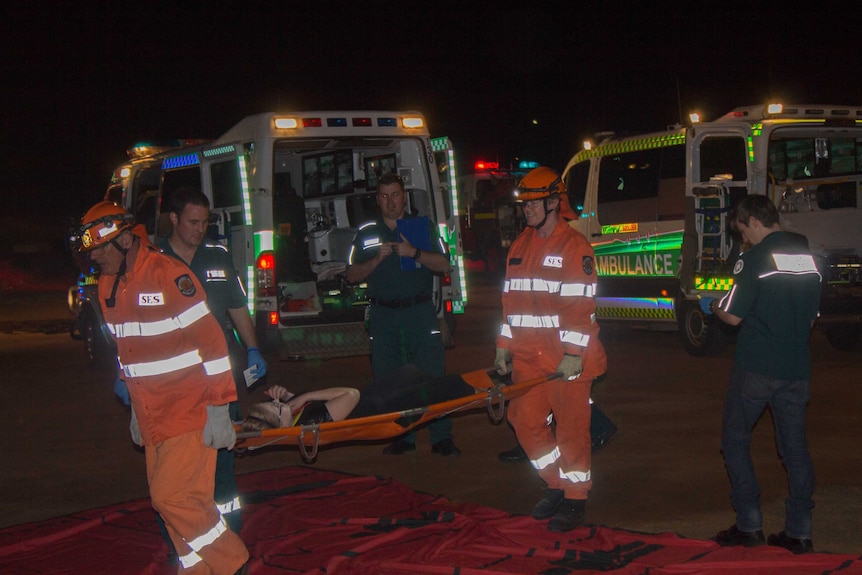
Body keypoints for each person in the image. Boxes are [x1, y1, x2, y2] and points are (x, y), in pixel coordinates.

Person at [77, 201, 249, 574]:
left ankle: (233, 563)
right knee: (186, 502)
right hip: (154, 414)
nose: (96, 260)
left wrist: (219, 407)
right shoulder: (109, 286)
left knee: (170, 498)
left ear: (123, 241)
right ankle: (198, 569)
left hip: (190, 408)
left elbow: (214, 345)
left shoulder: (168, 275)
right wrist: (137, 408)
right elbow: (128, 350)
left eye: (100, 250)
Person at [703, 195, 821, 554]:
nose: (744, 240)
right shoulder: (808, 256)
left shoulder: (753, 258)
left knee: (735, 440)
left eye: (743, 232)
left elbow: (734, 316)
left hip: (757, 367)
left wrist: (712, 305)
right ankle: (799, 533)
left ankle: (749, 524)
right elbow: (812, 315)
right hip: (797, 368)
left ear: (753, 221)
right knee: (795, 450)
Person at [493, 167, 607, 532]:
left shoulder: (575, 246)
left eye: (533, 203)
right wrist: (503, 346)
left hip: (565, 360)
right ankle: (557, 483)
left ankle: (575, 500)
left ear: (554, 202)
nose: (526, 210)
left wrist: (573, 353)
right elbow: (510, 303)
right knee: (523, 421)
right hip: (528, 357)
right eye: (523, 204)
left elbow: (580, 306)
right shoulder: (520, 245)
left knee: (572, 430)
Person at [157, 188, 268, 537]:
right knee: (177, 462)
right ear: (173, 219)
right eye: (192, 222)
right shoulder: (153, 260)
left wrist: (253, 349)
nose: (199, 229)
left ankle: (228, 533)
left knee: (223, 457)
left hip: (218, 377)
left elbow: (237, 308)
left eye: (204, 222)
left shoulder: (217, 257)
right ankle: (181, 536)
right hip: (171, 379)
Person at [346, 172, 460, 456]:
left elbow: (445, 265)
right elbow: (350, 275)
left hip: (419, 312)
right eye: (384, 196)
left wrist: (415, 253)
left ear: (404, 197)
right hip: (384, 316)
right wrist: (376, 259)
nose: (390, 202)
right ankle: (402, 436)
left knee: (432, 376)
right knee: (389, 380)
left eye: (395, 195)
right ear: (377, 200)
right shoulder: (367, 233)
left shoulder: (422, 227)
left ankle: (441, 438)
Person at [241, 363, 481, 431]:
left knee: (411, 371)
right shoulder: (312, 424)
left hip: (370, 398)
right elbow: (350, 394)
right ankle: (481, 391)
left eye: (274, 404)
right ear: (280, 425)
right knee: (442, 388)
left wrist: (289, 396)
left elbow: (305, 403)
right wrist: (305, 397)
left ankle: (453, 387)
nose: (281, 405)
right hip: (380, 408)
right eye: (277, 409)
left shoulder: (292, 416)